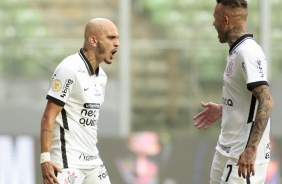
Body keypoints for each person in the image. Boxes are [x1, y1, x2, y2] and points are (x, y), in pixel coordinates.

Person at [193, 0, 273, 183]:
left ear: (226, 20)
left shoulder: (248, 52)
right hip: (226, 149)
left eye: (216, 18)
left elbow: (266, 101)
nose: (214, 23)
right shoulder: (236, 51)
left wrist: (251, 150)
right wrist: (225, 109)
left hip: (242, 156)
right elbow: (248, 99)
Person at [40, 18, 119, 184]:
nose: (117, 43)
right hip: (67, 160)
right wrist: (45, 159)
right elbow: (48, 117)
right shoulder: (69, 68)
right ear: (93, 40)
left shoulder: (102, 76)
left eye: (117, 38)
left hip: (92, 159)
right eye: (111, 38)